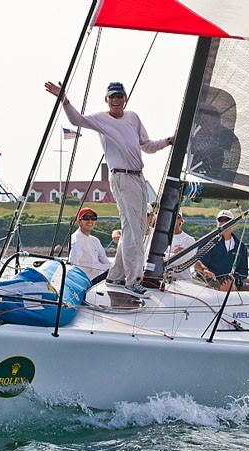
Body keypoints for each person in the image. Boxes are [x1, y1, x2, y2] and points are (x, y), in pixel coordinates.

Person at [45, 80, 174, 298]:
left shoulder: (133, 118)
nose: (116, 100)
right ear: (106, 99)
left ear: (125, 99)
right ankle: (133, 281)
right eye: (112, 96)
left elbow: (148, 146)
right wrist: (64, 100)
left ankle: (115, 276)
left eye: (119, 96)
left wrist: (170, 140)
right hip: (122, 178)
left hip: (138, 177)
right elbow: (77, 120)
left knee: (134, 228)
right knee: (134, 231)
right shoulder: (101, 119)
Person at [192, 209, 249, 296]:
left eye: (227, 220)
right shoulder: (207, 243)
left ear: (233, 223)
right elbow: (198, 263)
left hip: (233, 280)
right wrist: (206, 271)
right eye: (220, 220)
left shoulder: (241, 246)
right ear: (216, 222)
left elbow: (243, 271)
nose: (224, 222)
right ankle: (235, 307)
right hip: (211, 280)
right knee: (227, 284)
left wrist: (240, 279)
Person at [69, 207, 112, 282]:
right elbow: (73, 263)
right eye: (86, 218)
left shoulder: (95, 240)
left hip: (101, 275)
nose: (90, 221)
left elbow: (105, 260)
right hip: (88, 280)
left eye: (93, 218)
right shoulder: (76, 239)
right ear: (79, 222)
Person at [166, 210, 196, 281]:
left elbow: (179, 262)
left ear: (181, 220)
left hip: (183, 283)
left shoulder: (189, 240)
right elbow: (147, 257)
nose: (171, 218)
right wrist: (173, 253)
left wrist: (164, 255)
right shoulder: (156, 236)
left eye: (175, 216)